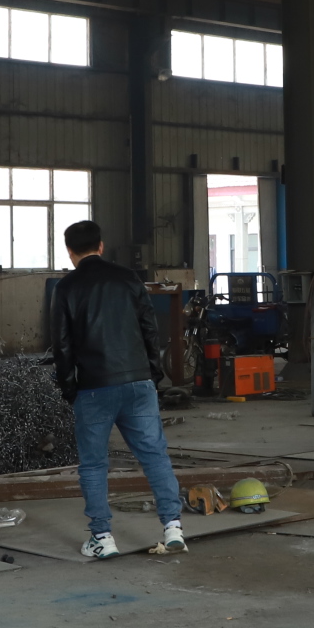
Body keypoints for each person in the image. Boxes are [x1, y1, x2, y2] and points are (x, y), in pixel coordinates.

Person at [49, 220, 184, 559]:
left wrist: (69, 388)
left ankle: (102, 538)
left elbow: (61, 346)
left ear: (69, 251)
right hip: (138, 382)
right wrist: (152, 375)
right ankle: (173, 528)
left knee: (94, 465)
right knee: (154, 456)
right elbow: (149, 329)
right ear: (101, 246)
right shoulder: (128, 278)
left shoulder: (65, 288)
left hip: (94, 387)